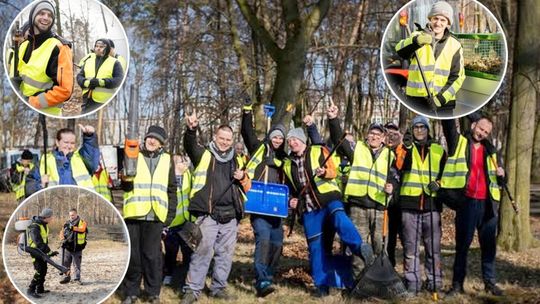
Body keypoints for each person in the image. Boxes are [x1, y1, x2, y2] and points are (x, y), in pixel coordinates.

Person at [283, 127, 373, 297]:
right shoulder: (288, 164)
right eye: (290, 140)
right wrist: (291, 201)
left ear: (303, 140)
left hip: (328, 199)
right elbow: (289, 188)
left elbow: (334, 169)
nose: (292, 142)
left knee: (340, 218)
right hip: (309, 209)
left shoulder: (318, 150)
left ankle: (360, 247)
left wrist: (324, 172)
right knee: (316, 248)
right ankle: (321, 286)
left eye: (295, 139)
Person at [181, 110, 251, 304]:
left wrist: (243, 177)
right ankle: (192, 290)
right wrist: (191, 129)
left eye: (228, 139)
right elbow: (189, 145)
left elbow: (248, 185)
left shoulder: (237, 159)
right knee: (202, 252)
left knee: (225, 256)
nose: (225, 142)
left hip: (230, 216)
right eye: (222, 138)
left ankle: (218, 288)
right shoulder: (203, 154)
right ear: (215, 137)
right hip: (208, 215)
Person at [327, 104, 398, 278]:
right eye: (371, 133)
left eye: (378, 134)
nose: (374, 136)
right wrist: (333, 119)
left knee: (379, 245)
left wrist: (392, 186)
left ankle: (378, 279)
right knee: (357, 245)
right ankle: (359, 281)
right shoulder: (357, 149)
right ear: (367, 135)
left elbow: (395, 177)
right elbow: (339, 140)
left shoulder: (390, 155)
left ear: (383, 138)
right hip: (358, 205)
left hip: (380, 207)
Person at [441, 113, 505, 296]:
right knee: (462, 247)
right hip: (466, 203)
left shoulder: (491, 150)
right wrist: (468, 111)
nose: (482, 133)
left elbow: (499, 181)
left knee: (489, 247)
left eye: (486, 131)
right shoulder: (458, 143)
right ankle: (457, 285)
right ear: (473, 126)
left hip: (488, 205)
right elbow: (448, 124)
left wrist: (502, 175)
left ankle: (490, 284)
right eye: (480, 128)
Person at [121, 125, 177, 304]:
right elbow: (125, 186)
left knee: (152, 257)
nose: (152, 141)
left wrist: (169, 216)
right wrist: (125, 178)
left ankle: (153, 293)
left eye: (156, 139)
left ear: (161, 144)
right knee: (134, 256)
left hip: (155, 216)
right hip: (134, 214)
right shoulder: (133, 155)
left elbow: (171, 189)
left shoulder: (167, 160)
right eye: (149, 137)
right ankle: (131, 292)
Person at [240, 102, 287, 297]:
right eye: (275, 136)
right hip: (259, 204)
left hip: (276, 207)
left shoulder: (284, 156)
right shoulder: (259, 147)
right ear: (270, 136)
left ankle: (268, 275)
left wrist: (275, 162)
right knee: (264, 240)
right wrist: (247, 111)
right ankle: (261, 280)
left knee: (277, 244)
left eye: (280, 138)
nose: (277, 140)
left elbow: (290, 172)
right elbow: (247, 132)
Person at [399, 116, 447, 294]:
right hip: (409, 205)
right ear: (412, 130)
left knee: (433, 249)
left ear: (428, 129)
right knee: (410, 248)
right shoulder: (405, 148)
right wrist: (406, 147)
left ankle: (435, 282)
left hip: (431, 205)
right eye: (416, 127)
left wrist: (439, 183)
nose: (419, 130)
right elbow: (400, 167)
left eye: (423, 127)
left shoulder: (438, 150)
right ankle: (412, 283)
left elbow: (447, 173)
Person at [395, 1, 465, 116]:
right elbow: (400, 51)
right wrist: (416, 42)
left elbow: (457, 77)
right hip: (416, 100)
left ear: (448, 23)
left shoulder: (455, 45)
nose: (438, 23)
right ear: (430, 19)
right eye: (435, 18)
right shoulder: (417, 36)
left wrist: (440, 99)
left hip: (443, 104)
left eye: (443, 20)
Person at [12, 0, 73, 116]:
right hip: (24, 112)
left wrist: (32, 102)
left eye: (50, 15)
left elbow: (65, 91)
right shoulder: (24, 45)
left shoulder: (59, 47)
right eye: (41, 13)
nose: (46, 18)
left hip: (47, 115)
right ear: (33, 16)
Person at [25, 125, 99, 197]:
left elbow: (91, 152)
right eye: (66, 142)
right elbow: (29, 188)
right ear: (57, 142)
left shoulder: (81, 157)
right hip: (55, 206)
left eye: (72, 143)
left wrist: (89, 137)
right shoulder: (45, 161)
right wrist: (40, 185)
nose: (69, 146)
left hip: (82, 204)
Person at [162, 155, 194, 290]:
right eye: (178, 162)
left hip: (186, 221)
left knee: (188, 252)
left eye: (182, 161)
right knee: (170, 251)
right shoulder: (168, 175)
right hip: (171, 222)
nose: (182, 164)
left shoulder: (188, 175)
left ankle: (187, 279)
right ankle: (168, 274)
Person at [77, 38, 123, 113]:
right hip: (87, 98)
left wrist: (101, 82)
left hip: (104, 102)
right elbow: (79, 76)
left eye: (101, 47)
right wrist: (86, 83)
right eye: (96, 46)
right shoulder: (88, 61)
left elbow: (119, 80)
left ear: (107, 48)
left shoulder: (115, 62)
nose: (98, 48)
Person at [383, 122, 405, 267]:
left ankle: (408, 267)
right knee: (386, 236)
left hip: (401, 201)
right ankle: (388, 263)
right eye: (387, 133)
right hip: (384, 201)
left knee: (404, 236)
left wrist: (400, 143)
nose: (391, 136)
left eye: (394, 133)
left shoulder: (403, 150)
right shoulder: (381, 151)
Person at [26, 208, 59, 298]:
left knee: (44, 269)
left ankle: (40, 288)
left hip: (41, 250)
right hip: (35, 251)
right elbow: (38, 241)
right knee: (39, 270)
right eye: (51, 217)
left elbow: (44, 241)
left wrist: (50, 252)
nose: (52, 219)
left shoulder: (44, 224)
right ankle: (31, 290)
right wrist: (48, 251)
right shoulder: (35, 226)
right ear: (47, 217)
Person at [59, 208, 88, 285]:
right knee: (66, 263)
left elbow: (82, 229)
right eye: (70, 215)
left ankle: (77, 279)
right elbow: (61, 232)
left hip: (77, 248)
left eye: (73, 215)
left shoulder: (82, 222)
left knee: (76, 264)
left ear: (76, 214)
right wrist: (62, 239)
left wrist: (72, 228)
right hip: (68, 248)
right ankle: (66, 277)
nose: (71, 216)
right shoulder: (66, 223)